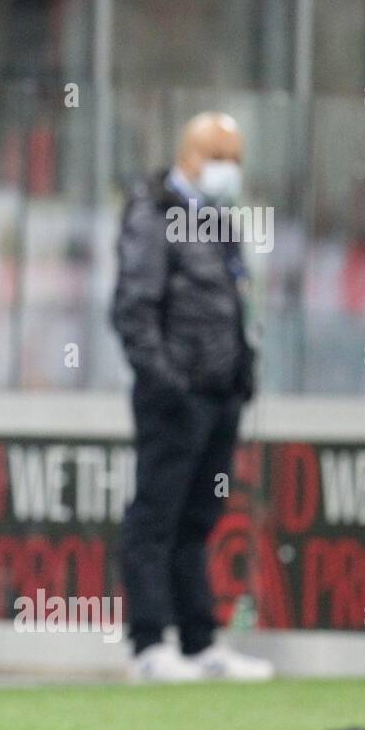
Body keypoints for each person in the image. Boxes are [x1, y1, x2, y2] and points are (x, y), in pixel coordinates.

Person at [111, 111, 274, 683]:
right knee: (156, 515)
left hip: (220, 392)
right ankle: (149, 645)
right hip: (175, 394)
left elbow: (234, 303)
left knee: (199, 518)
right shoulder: (153, 212)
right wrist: (166, 382)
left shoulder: (219, 219)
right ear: (188, 156)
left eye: (235, 158)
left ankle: (200, 641)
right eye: (218, 156)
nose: (228, 169)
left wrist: (241, 372)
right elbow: (135, 306)